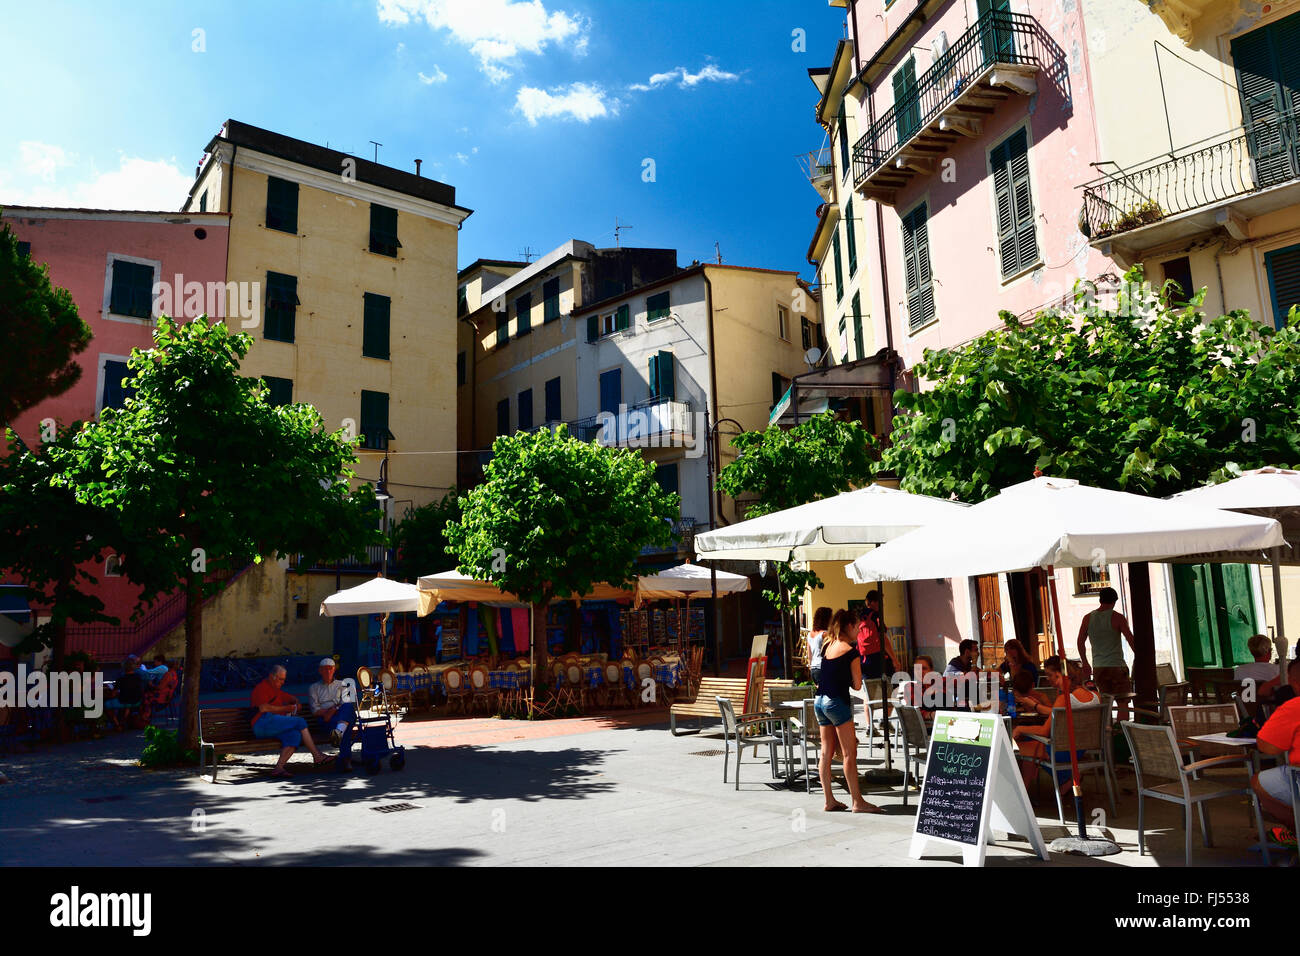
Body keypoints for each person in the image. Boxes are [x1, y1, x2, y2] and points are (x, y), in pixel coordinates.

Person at [815, 609, 882, 814]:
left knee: (826, 752)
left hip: (819, 701)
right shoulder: (851, 651)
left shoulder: (828, 645)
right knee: (849, 753)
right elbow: (855, 685)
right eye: (857, 627)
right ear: (850, 626)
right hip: (837, 702)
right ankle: (857, 801)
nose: (859, 631)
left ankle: (829, 800)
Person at [1011, 655, 1100, 792]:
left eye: (1051, 675)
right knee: (1034, 745)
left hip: (1063, 750)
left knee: (1020, 747)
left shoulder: (1064, 699)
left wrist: (1020, 729)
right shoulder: (1095, 695)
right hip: (1082, 749)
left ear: (1060, 675)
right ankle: (1063, 781)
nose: (1049, 679)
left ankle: (1022, 793)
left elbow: (1044, 731)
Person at [250, 665, 332, 778]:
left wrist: (296, 703)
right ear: (272, 677)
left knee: (294, 735)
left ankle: (279, 768)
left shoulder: (277, 690)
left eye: (284, 679)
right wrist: (287, 709)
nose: (283, 682)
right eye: (280, 679)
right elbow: (263, 708)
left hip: (272, 724)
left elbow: (292, 698)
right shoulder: (261, 688)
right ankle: (317, 756)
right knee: (300, 722)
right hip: (262, 723)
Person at [1252, 658, 1300, 849]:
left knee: (1258, 781)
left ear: (1293, 682)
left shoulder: (1294, 706)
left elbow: (1268, 747)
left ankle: (1295, 830)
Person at [1077, 586, 1136, 718]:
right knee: (1122, 703)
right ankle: (1121, 732)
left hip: (1098, 667)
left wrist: (1085, 662)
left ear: (1100, 600)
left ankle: (1107, 733)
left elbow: (1080, 641)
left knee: (1104, 704)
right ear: (1114, 601)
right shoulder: (1118, 618)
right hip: (1117, 666)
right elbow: (1131, 640)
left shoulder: (1087, 618)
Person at [308, 657, 356, 772]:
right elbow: (315, 711)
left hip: (340, 715)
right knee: (346, 725)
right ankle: (346, 759)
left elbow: (347, 704)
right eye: (325, 669)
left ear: (334, 670)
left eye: (330, 669)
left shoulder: (343, 684)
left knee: (348, 708)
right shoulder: (314, 688)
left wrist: (333, 709)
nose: (328, 671)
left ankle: (338, 733)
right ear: (320, 671)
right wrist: (333, 710)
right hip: (326, 720)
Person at [856, 590, 900, 681]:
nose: (882, 605)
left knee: (871, 688)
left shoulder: (859, 616)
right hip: (878, 658)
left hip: (864, 659)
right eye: (880, 602)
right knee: (889, 685)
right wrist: (894, 659)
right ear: (873, 602)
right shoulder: (876, 616)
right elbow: (883, 639)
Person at [807, 606, 832, 686]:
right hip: (823, 667)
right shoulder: (825, 634)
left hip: (814, 669)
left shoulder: (810, 634)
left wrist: (810, 667)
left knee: (820, 694)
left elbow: (809, 655)